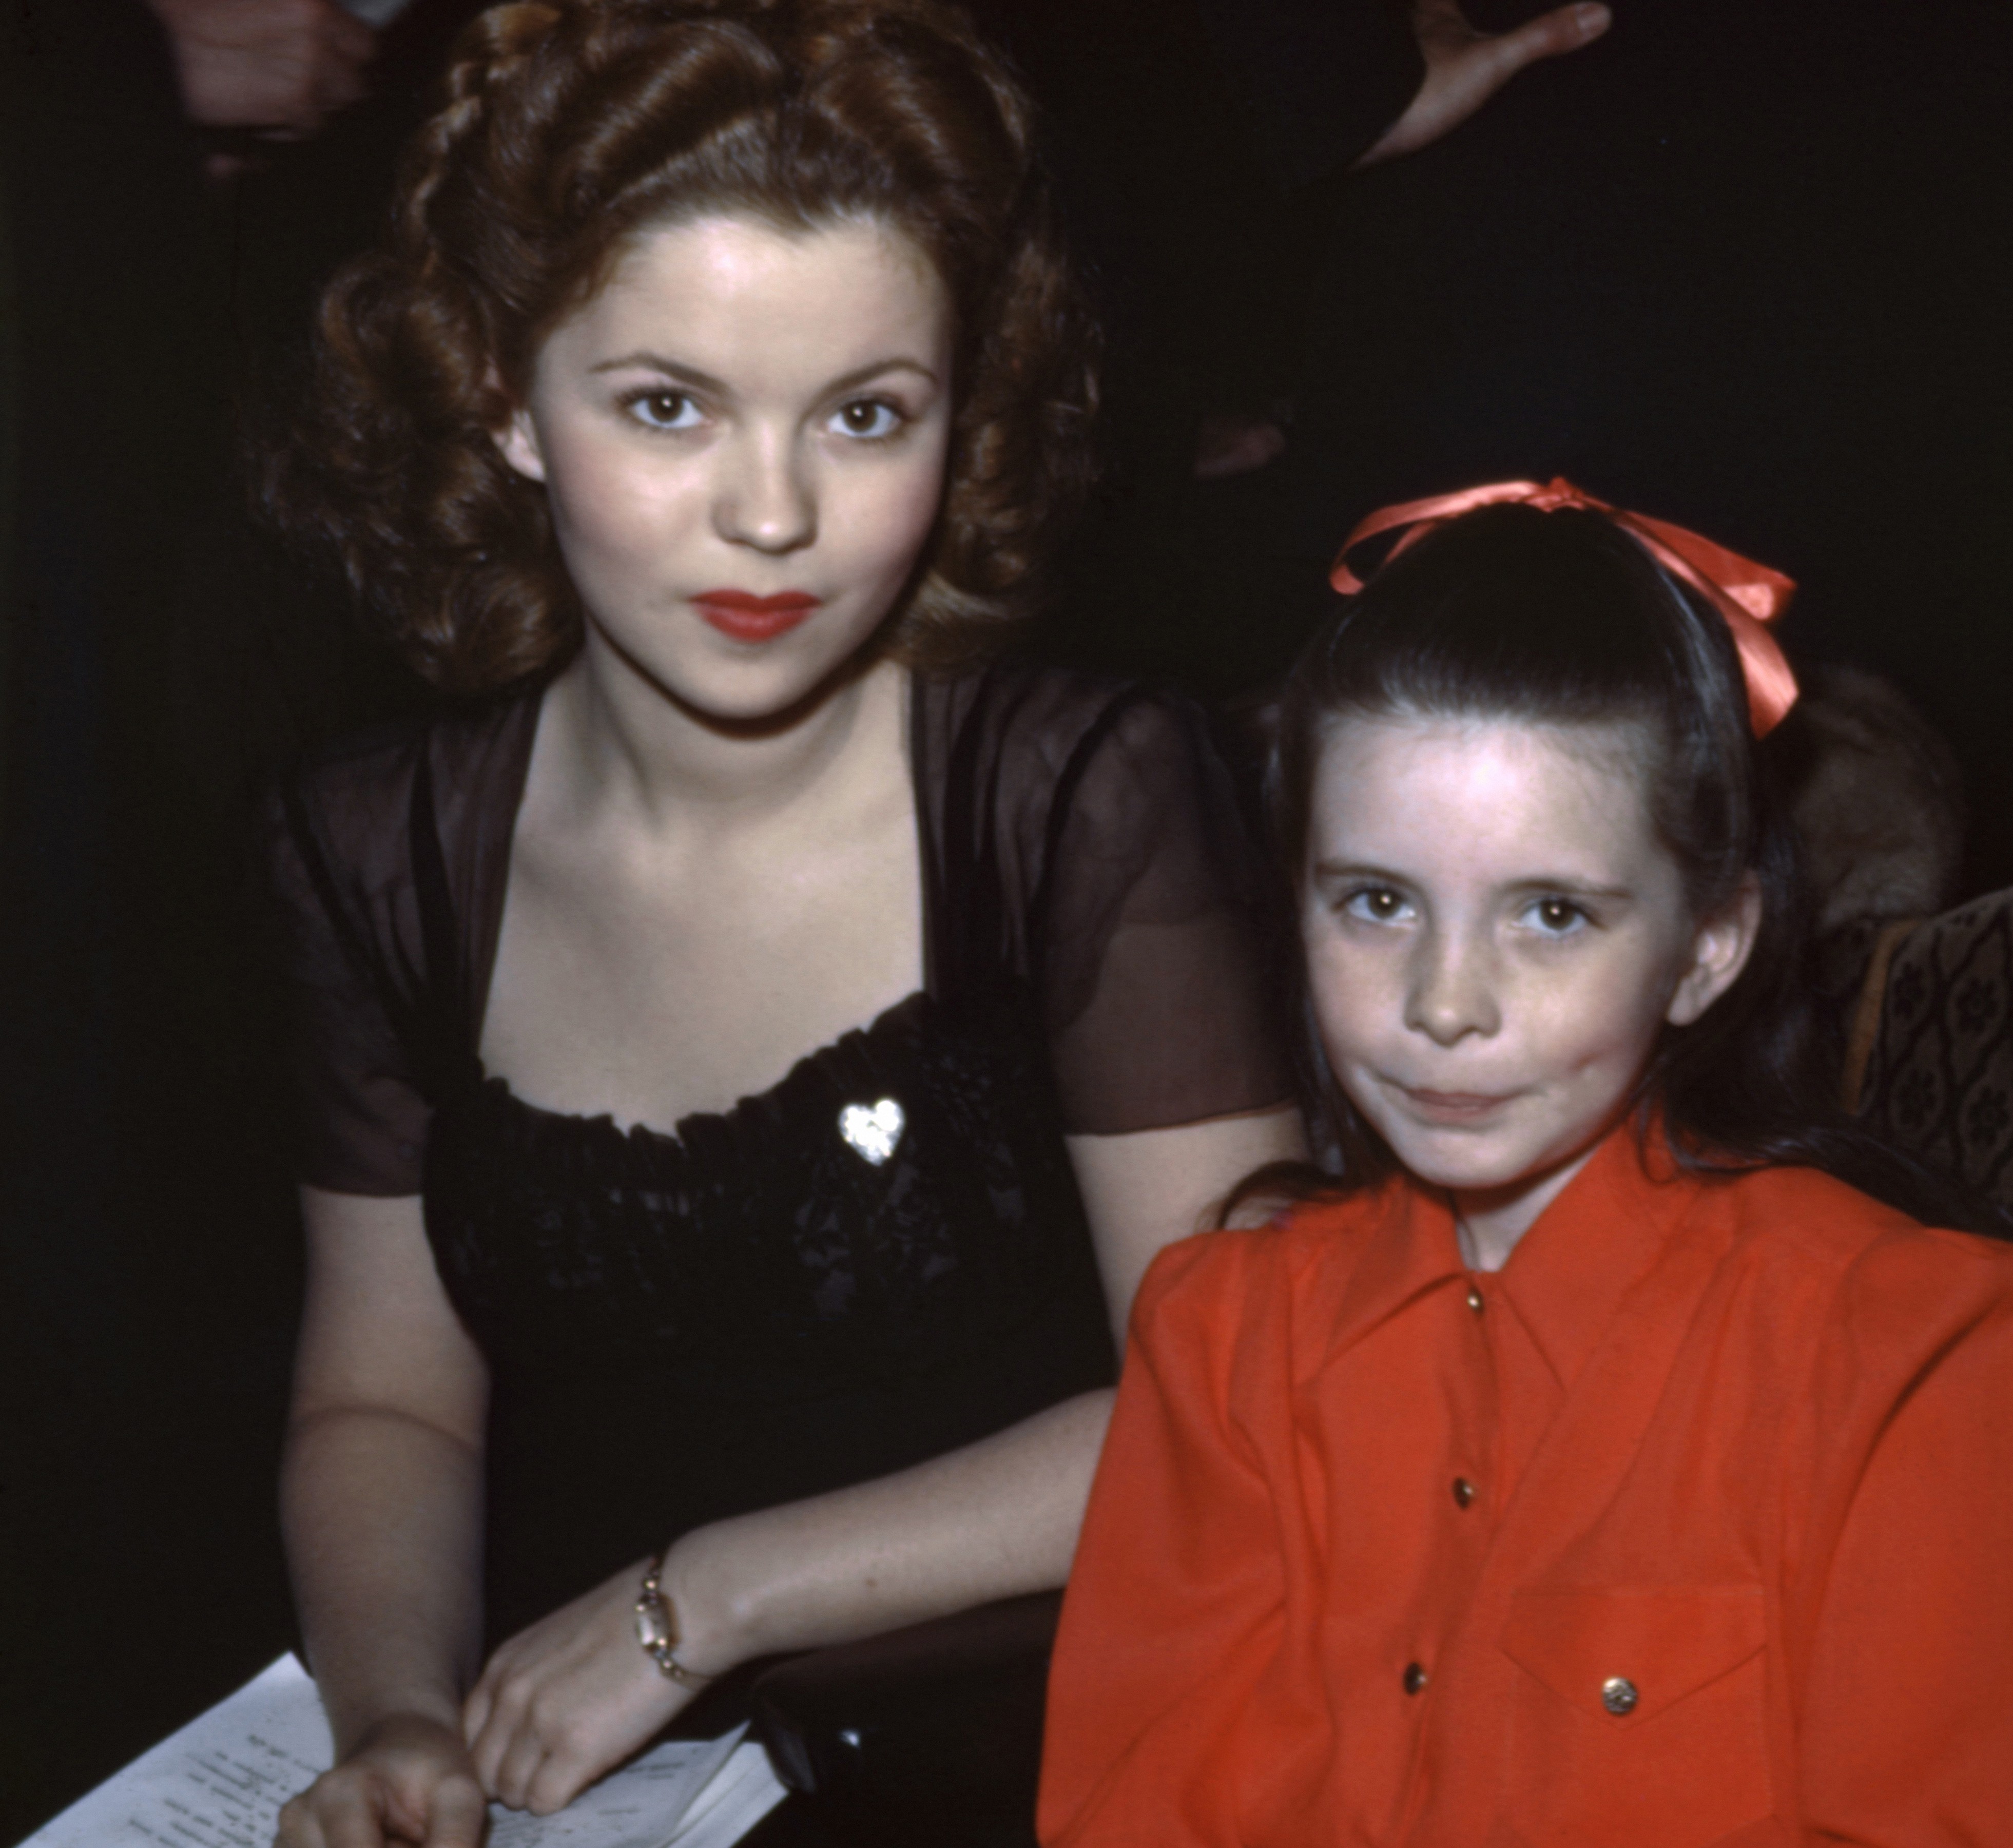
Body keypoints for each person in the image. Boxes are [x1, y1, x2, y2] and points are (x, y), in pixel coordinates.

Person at [254, 3, 1302, 1841]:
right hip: (596, 1784)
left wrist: (707, 1599)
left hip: (1067, 1750)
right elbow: (383, 1406)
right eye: (668, 405)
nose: (774, 514)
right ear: (504, 396)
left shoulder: (1080, 797)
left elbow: (1237, 1402)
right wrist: (401, 1720)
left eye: (865, 414)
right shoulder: (371, 850)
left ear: (959, 411)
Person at [1038, 485, 2013, 1847]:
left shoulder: (1915, 1344)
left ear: (1710, 946)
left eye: (1549, 915)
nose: (1446, 1001)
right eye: (1376, 902)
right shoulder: (1225, 1333)